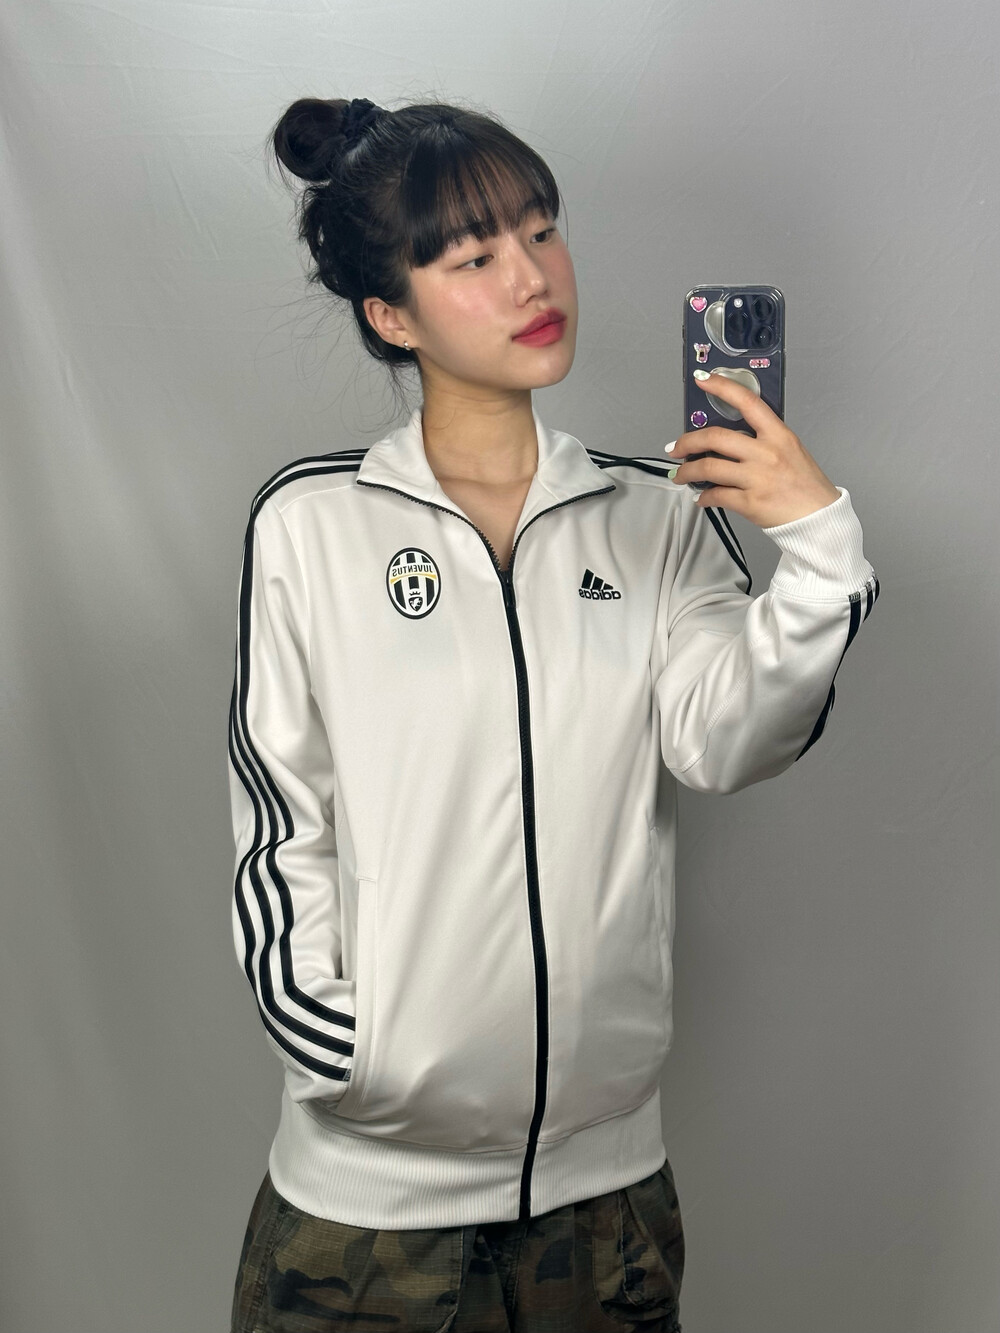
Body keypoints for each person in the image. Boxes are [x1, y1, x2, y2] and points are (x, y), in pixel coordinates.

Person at [227, 95, 880, 1333]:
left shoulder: (658, 514)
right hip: (365, 1220)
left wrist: (815, 546)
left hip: (605, 1204)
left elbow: (728, 739)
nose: (531, 276)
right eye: (472, 257)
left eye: (540, 230)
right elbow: (281, 817)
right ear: (390, 314)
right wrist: (354, 1055)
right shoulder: (310, 524)